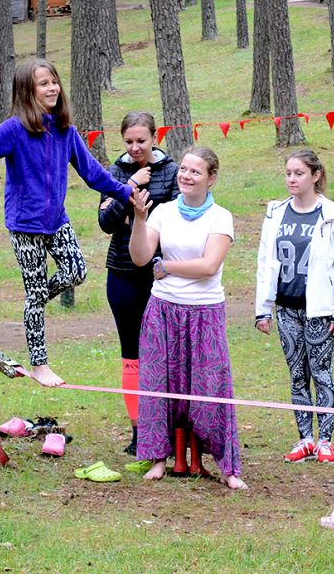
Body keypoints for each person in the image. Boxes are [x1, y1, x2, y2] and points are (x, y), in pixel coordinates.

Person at [0, 59, 140, 388]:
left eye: (54, 81)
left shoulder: (65, 131)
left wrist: (126, 192)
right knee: (35, 290)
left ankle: (35, 300)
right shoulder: (15, 129)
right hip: (25, 225)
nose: (52, 87)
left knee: (76, 272)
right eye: (43, 83)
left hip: (57, 221)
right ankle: (40, 364)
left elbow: (93, 174)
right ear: (28, 91)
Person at [129, 146, 247, 490]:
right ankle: (159, 458)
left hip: (205, 313)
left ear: (211, 178)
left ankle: (227, 468)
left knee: (211, 388)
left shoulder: (220, 217)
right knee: (158, 385)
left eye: (195, 171)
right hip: (162, 310)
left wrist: (166, 267)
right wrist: (139, 220)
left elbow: (209, 267)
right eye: (183, 169)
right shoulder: (163, 212)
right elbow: (140, 258)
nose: (186, 175)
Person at [253, 149, 334, 465]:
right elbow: (265, 262)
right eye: (288, 173)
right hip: (287, 308)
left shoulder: (333, 215)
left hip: (320, 311)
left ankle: (325, 440)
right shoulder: (276, 213)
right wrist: (263, 308)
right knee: (297, 374)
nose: (292, 179)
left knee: (321, 374)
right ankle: (305, 439)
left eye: (298, 173)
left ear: (314, 175)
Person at [98, 112, 179, 456]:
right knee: (131, 355)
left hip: (162, 276)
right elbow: (105, 222)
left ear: (154, 137)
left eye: (141, 141)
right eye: (129, 142)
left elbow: (175, 220)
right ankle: (138, 433)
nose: (135, 148)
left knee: (166, 355)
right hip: (122, 274)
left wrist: (138, 216)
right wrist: (129, 188)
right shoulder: (115, 173)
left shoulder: (173, 172)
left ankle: (169, 429)